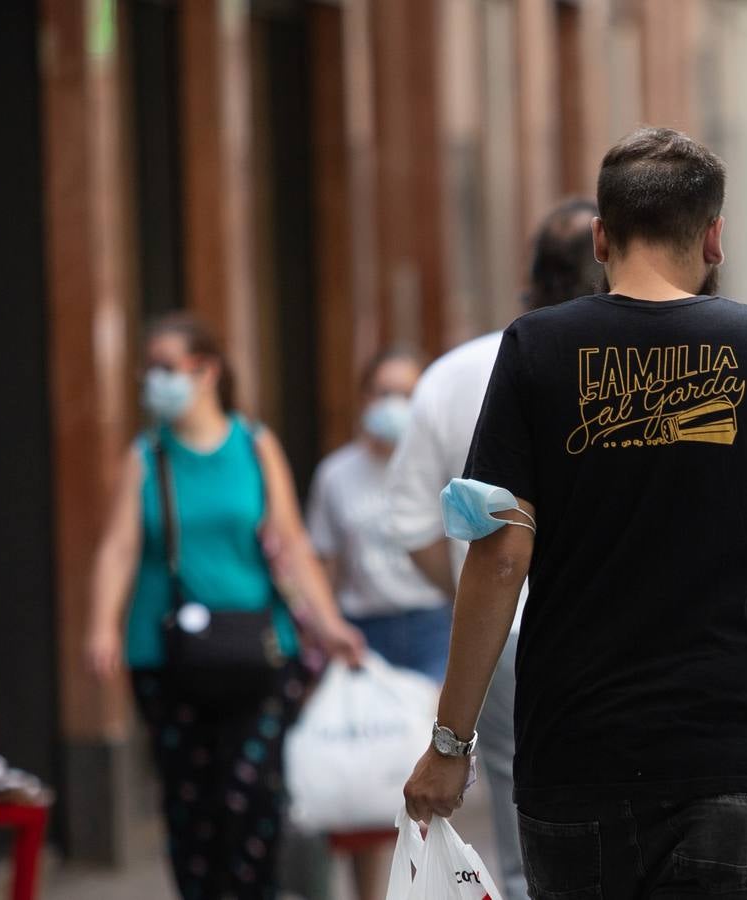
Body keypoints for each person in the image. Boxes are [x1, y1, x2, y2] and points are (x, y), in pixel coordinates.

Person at [401, 127, 747, 900]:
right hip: (728, 753)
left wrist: (451, 743)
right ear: (713, 235)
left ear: (600, 237)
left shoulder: (536, 348)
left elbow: (501, 555)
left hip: (578, 757)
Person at [85, 314, 365, 900]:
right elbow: (118, 547)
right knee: (189, 801)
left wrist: (330, 625)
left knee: (253, 795)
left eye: (166, 367)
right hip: (166, 655)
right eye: (149, 368)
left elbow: (291, 544)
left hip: (260, 650)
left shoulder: (255, 445)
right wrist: (101, 627)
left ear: (206, 370)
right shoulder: (146, 456)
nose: (152, 379)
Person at [387, 195, 602, 900]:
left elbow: (419, 527)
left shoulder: (454, 374)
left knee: (526, 829)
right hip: (629, 629)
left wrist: (474, 599)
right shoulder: (643, 369)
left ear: (530, 279)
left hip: (506, 637)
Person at [304, 346, 448, 899]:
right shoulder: (337, 476)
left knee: (421, 784)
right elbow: (319, 559)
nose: (394, 405)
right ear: (363, 398)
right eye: (383, 392)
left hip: (433, 630)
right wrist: (324, 629)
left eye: (407, 395)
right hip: (367, 637)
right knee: (367, 786)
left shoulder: (436, 467)